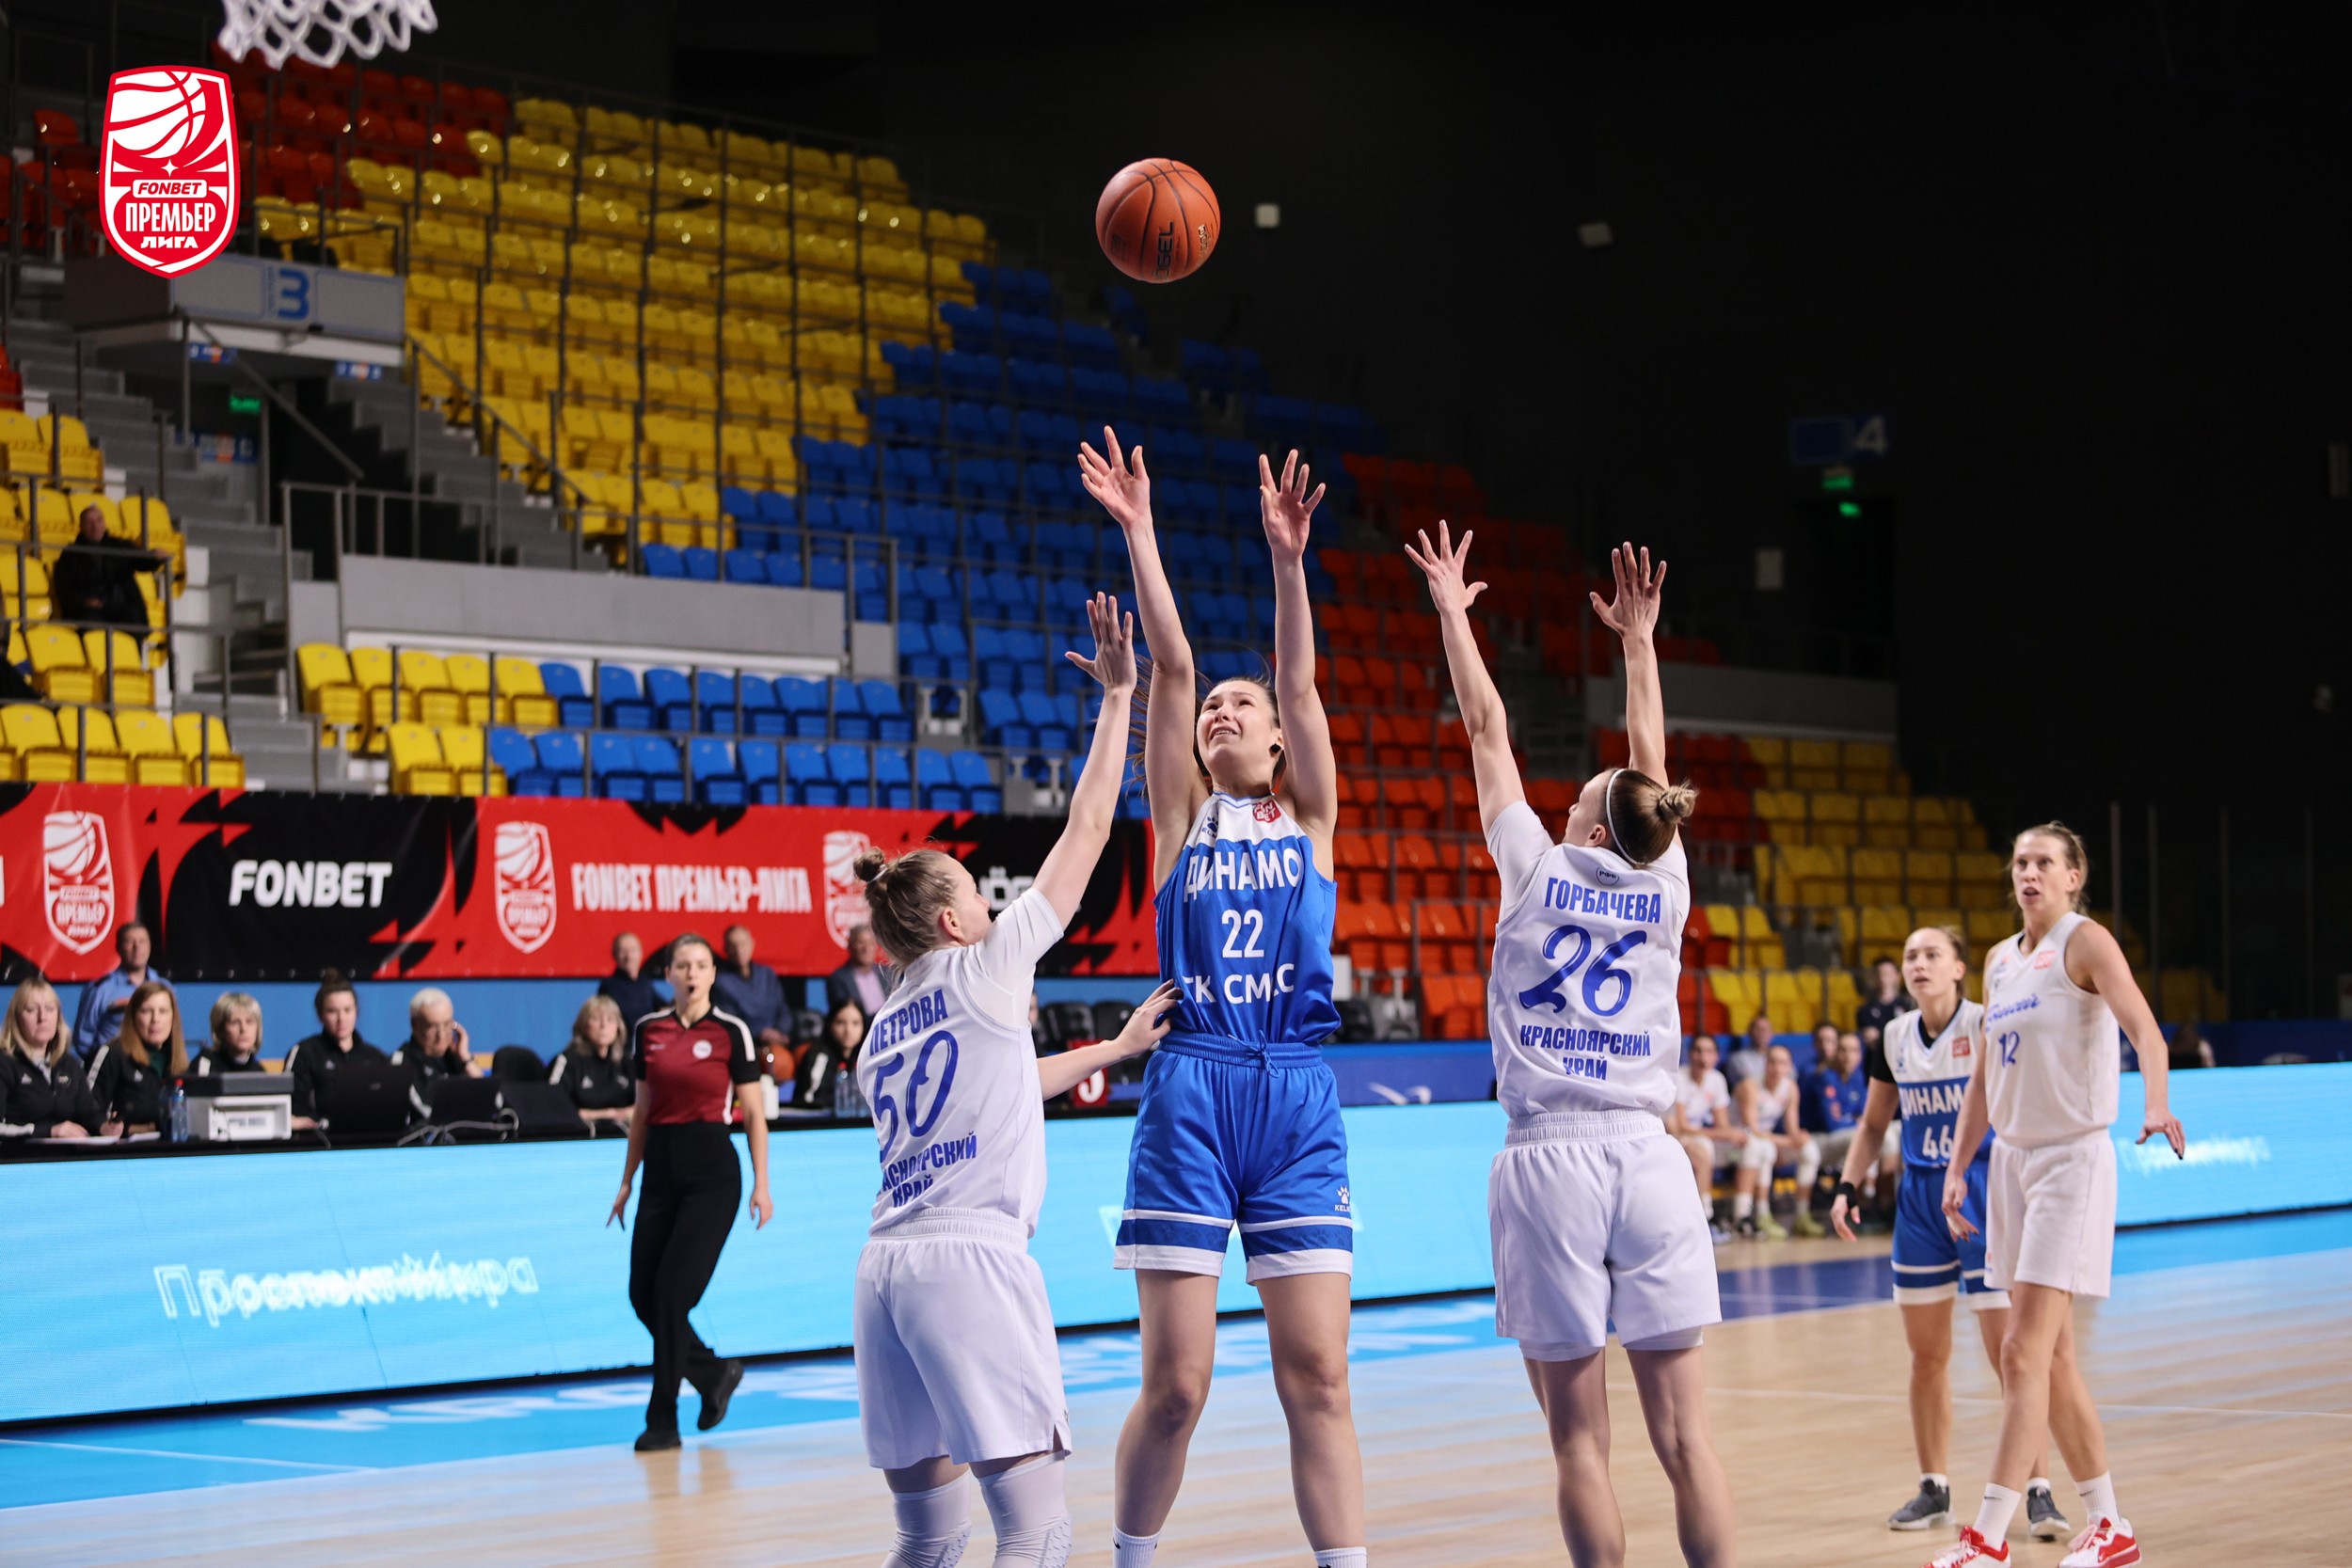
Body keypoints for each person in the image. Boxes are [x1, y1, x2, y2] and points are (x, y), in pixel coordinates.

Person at [1410, 526, 1734, 1566]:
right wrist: (1639, 644)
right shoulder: (1665, 883)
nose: (1562, 800)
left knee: (1579, 1444)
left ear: (1593, 831)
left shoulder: (1535, 866)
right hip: (1648, 1153)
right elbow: (1652, 766)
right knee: (1686, 1440)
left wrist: (1453, 611)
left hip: (1550, 1156)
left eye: (1576, 799)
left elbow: (1484, 725)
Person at [849, 592, 1180, 1568]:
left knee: (928, 1540)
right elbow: (1086, 833)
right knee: (1036, 1530)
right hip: (970, 1260)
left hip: (884, 1269)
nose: (995, 906)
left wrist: (1112, 1049)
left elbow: (1002, 1084)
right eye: (976, 894)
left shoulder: (881, 1033)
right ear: (952, 922)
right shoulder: (987, 968)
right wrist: (1117, 699)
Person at [1084, 433, 1367, 1568]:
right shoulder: (1178, 819)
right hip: (1192, 1089)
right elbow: (1170, 666)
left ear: (1278, 735)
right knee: (1176, 1386)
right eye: (1215, 707)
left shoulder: (1312, 818)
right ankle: (1129, 1556)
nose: (1222, 711)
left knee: (1320, 1377)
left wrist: (1288, 561)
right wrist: (1140, 530)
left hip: (1294, 1095)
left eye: (1240, 704)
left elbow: (1298, 680)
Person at [1923, 823, 2186, 1568]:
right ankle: (2110, 1526)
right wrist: (1958, 1164)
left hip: (2070, 1158)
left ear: (2074, 876)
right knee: (2056, 1357)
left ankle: (1986, 1538)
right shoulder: (2001, 960)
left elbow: (2147, 1032)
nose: (2029, 873)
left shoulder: (2086, 941)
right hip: (2011, 1163)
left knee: (2020, 1349)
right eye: (2020, 862)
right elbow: (1984, 1077)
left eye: (2044, 862)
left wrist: (2156, 1102)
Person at [1831, 926, 2067, 1539]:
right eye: (1910, 955)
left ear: (1960, 968)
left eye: (1932, 954)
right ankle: (1933, 1487)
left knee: (2011, 1356)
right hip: (1919, 1202)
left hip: (1982, 1193)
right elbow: (1873, 1123)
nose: (1919, 963)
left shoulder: (1988, 1022)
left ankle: (2038, 1489)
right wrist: (1847, 1186)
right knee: (1927, 1356)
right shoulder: (1893, 1037)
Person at [605, 932, 772, 1452]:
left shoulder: (731, 1031)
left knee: (673, 1295)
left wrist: (762, 1184)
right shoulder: (647, 1030)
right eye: (683, 965)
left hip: (712, 1175)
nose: (692, 973)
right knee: (642, 1295)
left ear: (712, 974)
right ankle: (713, 1373)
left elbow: (754, 1115)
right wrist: (627, 1181)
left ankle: (663, 1420)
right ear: (669, 975)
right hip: (659, 1172)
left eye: (701, 964)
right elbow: (641, 1111)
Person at [1734, 1043, 1824, 1238]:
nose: (1776, 1068)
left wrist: (1799, 1137)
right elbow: (1753, 1130)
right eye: (1772, 1062)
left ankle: (1802, 1215)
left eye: (1782, 1063)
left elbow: (1792, 1129)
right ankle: (1759, 1214)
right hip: (1736, 1141)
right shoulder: (1751, 1086)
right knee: (1763, 1148)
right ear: (1765, 1064)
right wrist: (1788, 1142)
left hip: (1764, 1140)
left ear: (1790, 1067)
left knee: (1809, 1150)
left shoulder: (1790, 1088)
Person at [282, 970, 390, 1130]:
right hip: (321, 1138)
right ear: (320, 1015)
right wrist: (322, 1123)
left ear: (356, 1011)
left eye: (347, 1010)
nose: (341, 1019)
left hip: (369, 1138)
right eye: (332, 1011)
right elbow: (291, 1107)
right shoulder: (304, 1053)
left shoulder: (376, 1057)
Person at [0, 977, 104, 1139]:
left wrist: (104, 1126)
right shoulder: (5, 1064)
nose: (42, 1017)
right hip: (20, 1154)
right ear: (16, 1019)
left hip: (67, 1153)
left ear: (58, 1017)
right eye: (31, 1010)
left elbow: (89, 1113)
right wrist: (49, 1131)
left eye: (49, 1009)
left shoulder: (69, 1064)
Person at [1804, 1028, 1893, 1212]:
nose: (1848, 1056)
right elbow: (1832, 1123)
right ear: (1835, 1052)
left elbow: (1866, 1115)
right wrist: (1857, 1122)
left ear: (1860, 1055)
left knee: (1886, 1135)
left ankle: (1886, 1203)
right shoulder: (1825, 1076)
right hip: (1818, 1140)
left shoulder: (1857, 1077)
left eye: (1854, 1050)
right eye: (1843, 1050)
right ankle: (1860, 1205)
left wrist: (1859, 1122)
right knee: (1865, 1136)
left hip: (1843, 1136)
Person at [1668, 1035, 1743, 1243]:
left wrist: (1734, 1135)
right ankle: (1705, 1218)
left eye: (1709, 1051)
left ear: (1716, 1057)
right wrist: (1724, 1134)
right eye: (1698, 1051)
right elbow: (1681, 1126)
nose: (1703, 1057)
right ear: (1690, 1055)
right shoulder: (1679, 1078)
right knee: (1704, 1151)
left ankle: (1745, 1216)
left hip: (1698, 1136)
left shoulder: (1717, 1079)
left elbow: (1722, 1124)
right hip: (1672, 1137)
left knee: (1754, 1149)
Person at [88, 981, 188, 1134]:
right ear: (133, 1016)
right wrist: (118, 1129)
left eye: (163, 1011)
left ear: (173, 1017)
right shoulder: (113, 1054)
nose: (155, 1019)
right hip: (124, 1147)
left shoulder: (178, 1062)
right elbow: (87, 1111)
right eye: (146, 1011)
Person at [72, 921, 172, 1057]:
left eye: (142, 941)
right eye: (130, 942)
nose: (137, 947)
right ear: (118, 947)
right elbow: (83, 1041)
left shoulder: (165, 987)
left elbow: (173, 1034)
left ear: (150, 945)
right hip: (112, 1063)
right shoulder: (100, 990)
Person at [50, 501, 153, 634]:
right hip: (88, 609)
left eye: (99, 520)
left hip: (118, 605)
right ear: (81, 527)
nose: (95, 526)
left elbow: (142, 562)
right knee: (91, 623)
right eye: (90, 522)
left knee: (134, 618)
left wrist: (155, 558)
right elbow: (64, 589)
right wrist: (85, 601)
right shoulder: (70, 555)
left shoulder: (120, 546)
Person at [390, 985, 478, 1119]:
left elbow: (493, 1102)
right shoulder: (402, 1063)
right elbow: (425, 1113)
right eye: (432, 1027)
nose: (441, 1035)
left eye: (447, 1024)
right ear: (415, 1025)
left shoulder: (457, 1059)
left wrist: (465, 1060)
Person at [550, 994, 636, 1129]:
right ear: (583, 1026)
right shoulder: (567, 1061)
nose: (603, 1026)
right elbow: (552, 1107)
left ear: (619, 1027)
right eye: (596, 1019)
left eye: (610, 1020)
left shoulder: (628, 1061)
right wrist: (611, 1114)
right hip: (578, 1134)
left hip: (623, 1134)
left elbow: (647, 1103)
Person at [714, 924, 791, 1052]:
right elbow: (731, 1021)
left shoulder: (767, 974)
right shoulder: (721, 982)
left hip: (779, 1040)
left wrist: (780, 1031)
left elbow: (782, 1009)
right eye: (733, 946)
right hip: (749, 1044)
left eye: (743, 944)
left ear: (752, 944)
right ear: (726, 949)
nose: (739, 950)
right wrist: (760, 1033)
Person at [797, 997, 866, 1110]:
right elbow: (809, 1099)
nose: (848, 1030)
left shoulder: (867, 1058)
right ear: (830, 1025)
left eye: (855, 1023)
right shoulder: (818, 1056)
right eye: (841, 1022)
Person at [827, 923, 899, 1022]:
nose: (866, 948)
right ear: (850, 946)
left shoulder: (888, 974)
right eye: (861, 943)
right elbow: (844, 1016)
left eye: (870, 943)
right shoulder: (838, 979)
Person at [598, 932, 670, 1030]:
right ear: (615, 955)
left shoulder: (644, 982)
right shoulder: (609, 986)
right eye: (623, 951)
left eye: (633, 950)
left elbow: (663, 1005)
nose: (629, 956)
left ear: (641, 954)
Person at [195, 992, 265, 1077]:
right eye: (234, 1022)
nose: (243, 1029)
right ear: (220, 1029)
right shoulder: (206, 1063)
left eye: (249, 1022)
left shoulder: (259, 1072)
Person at [1857, 956, 1914, 1048]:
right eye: (1878, 974)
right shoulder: (1865, 1010)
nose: (1882, 978)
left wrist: (1880, 1037)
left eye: (1887, 974)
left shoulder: (1908, 1006)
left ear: (1897, 975)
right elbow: (1869, 1040)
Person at [1724, 1011, 1772, 1090]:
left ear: (1771, 1034)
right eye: (1758, 1029)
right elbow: (1746, 1085)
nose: (1763, 1033)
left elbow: (1788, 1080)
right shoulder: (1738, 1059)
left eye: (1766, 1029)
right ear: (1750, 1032)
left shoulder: (1780, 1057)